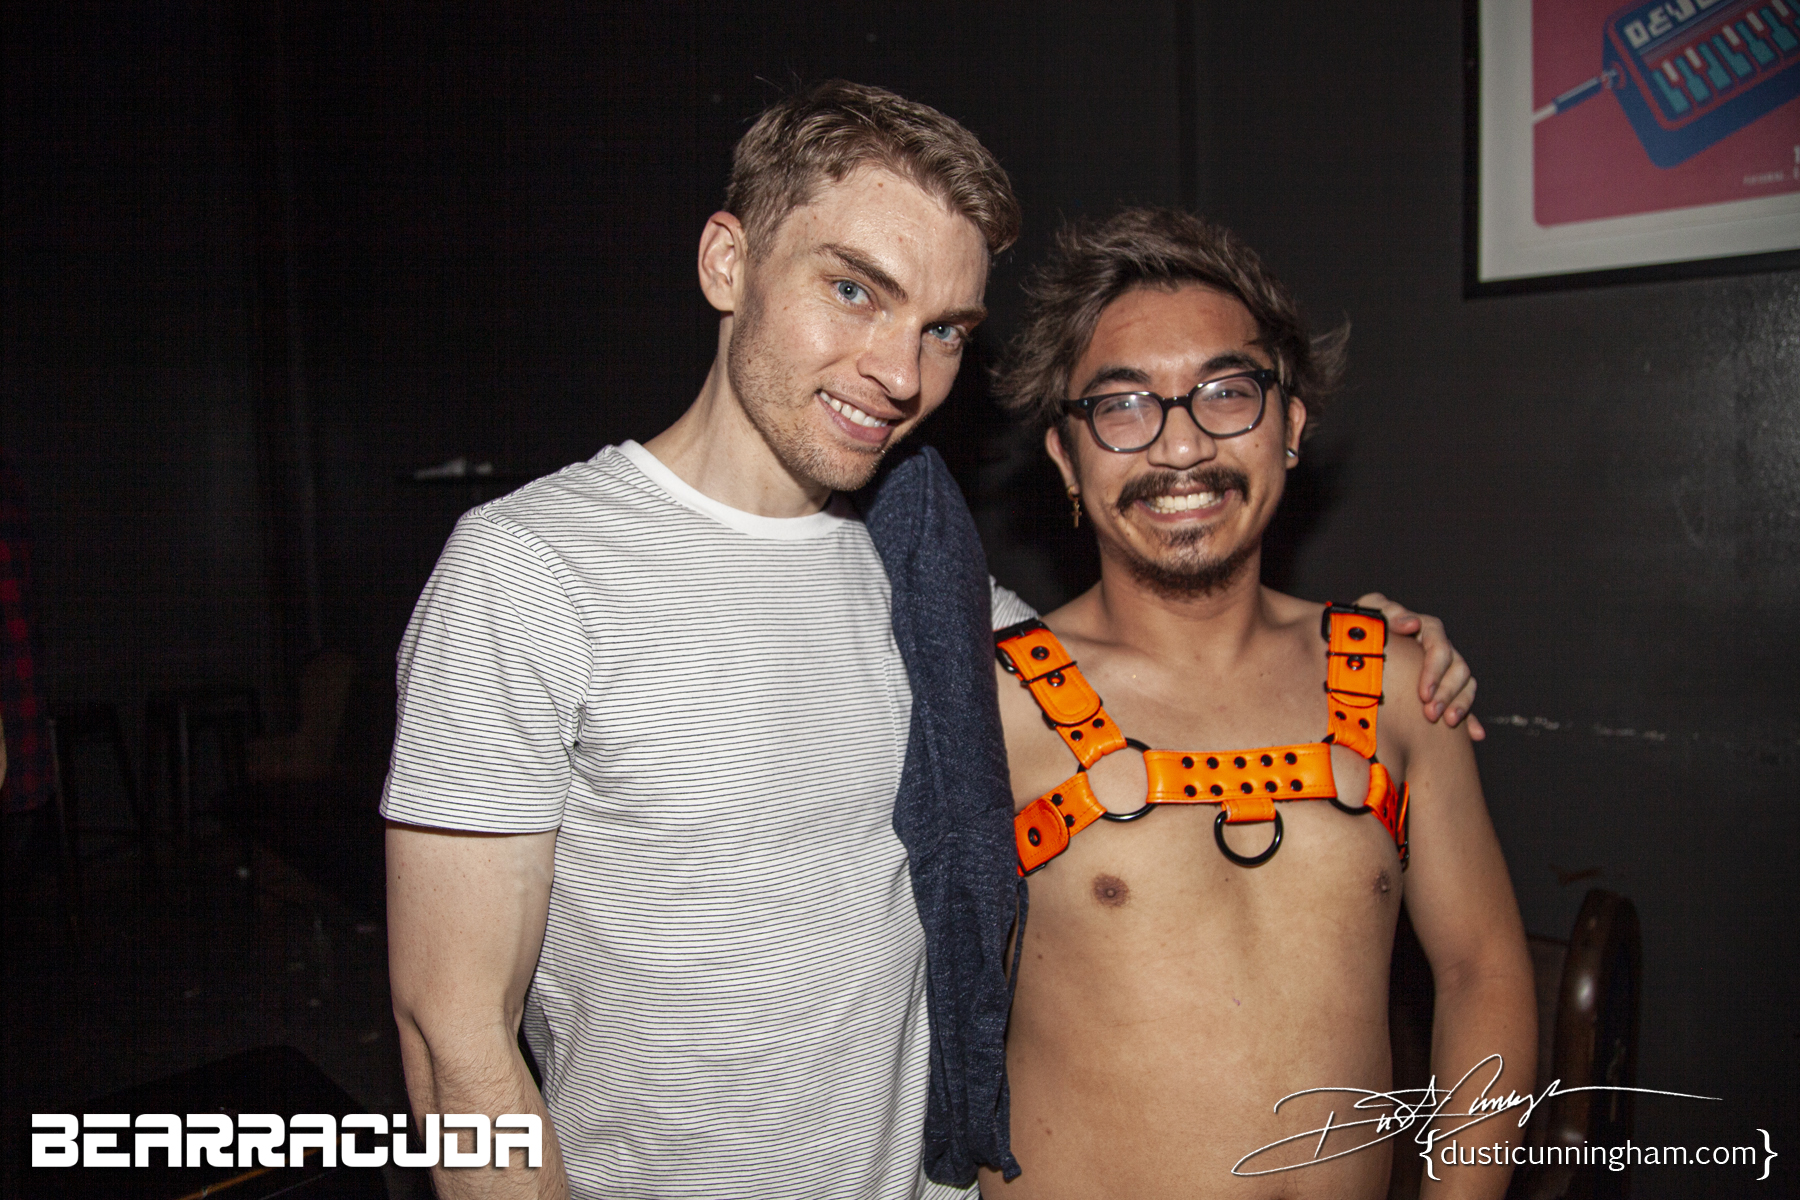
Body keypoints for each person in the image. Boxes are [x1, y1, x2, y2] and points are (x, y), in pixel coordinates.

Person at [380, 84, 1480, 1200]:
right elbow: (452, 1041)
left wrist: (1368, 650)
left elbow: (1166, 665)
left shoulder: (933, 583)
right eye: (854, 290)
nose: (902, 375)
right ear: (727, 263)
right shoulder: (531, 571)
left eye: (944, 329)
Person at [981, 208, 1535, 1199]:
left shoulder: (1394, 684)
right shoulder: (992, 706)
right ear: (1065, 456)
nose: (1180, 446)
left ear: (1292, 427)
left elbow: (1481, 972)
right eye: (1122, 406)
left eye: (1226, 393)